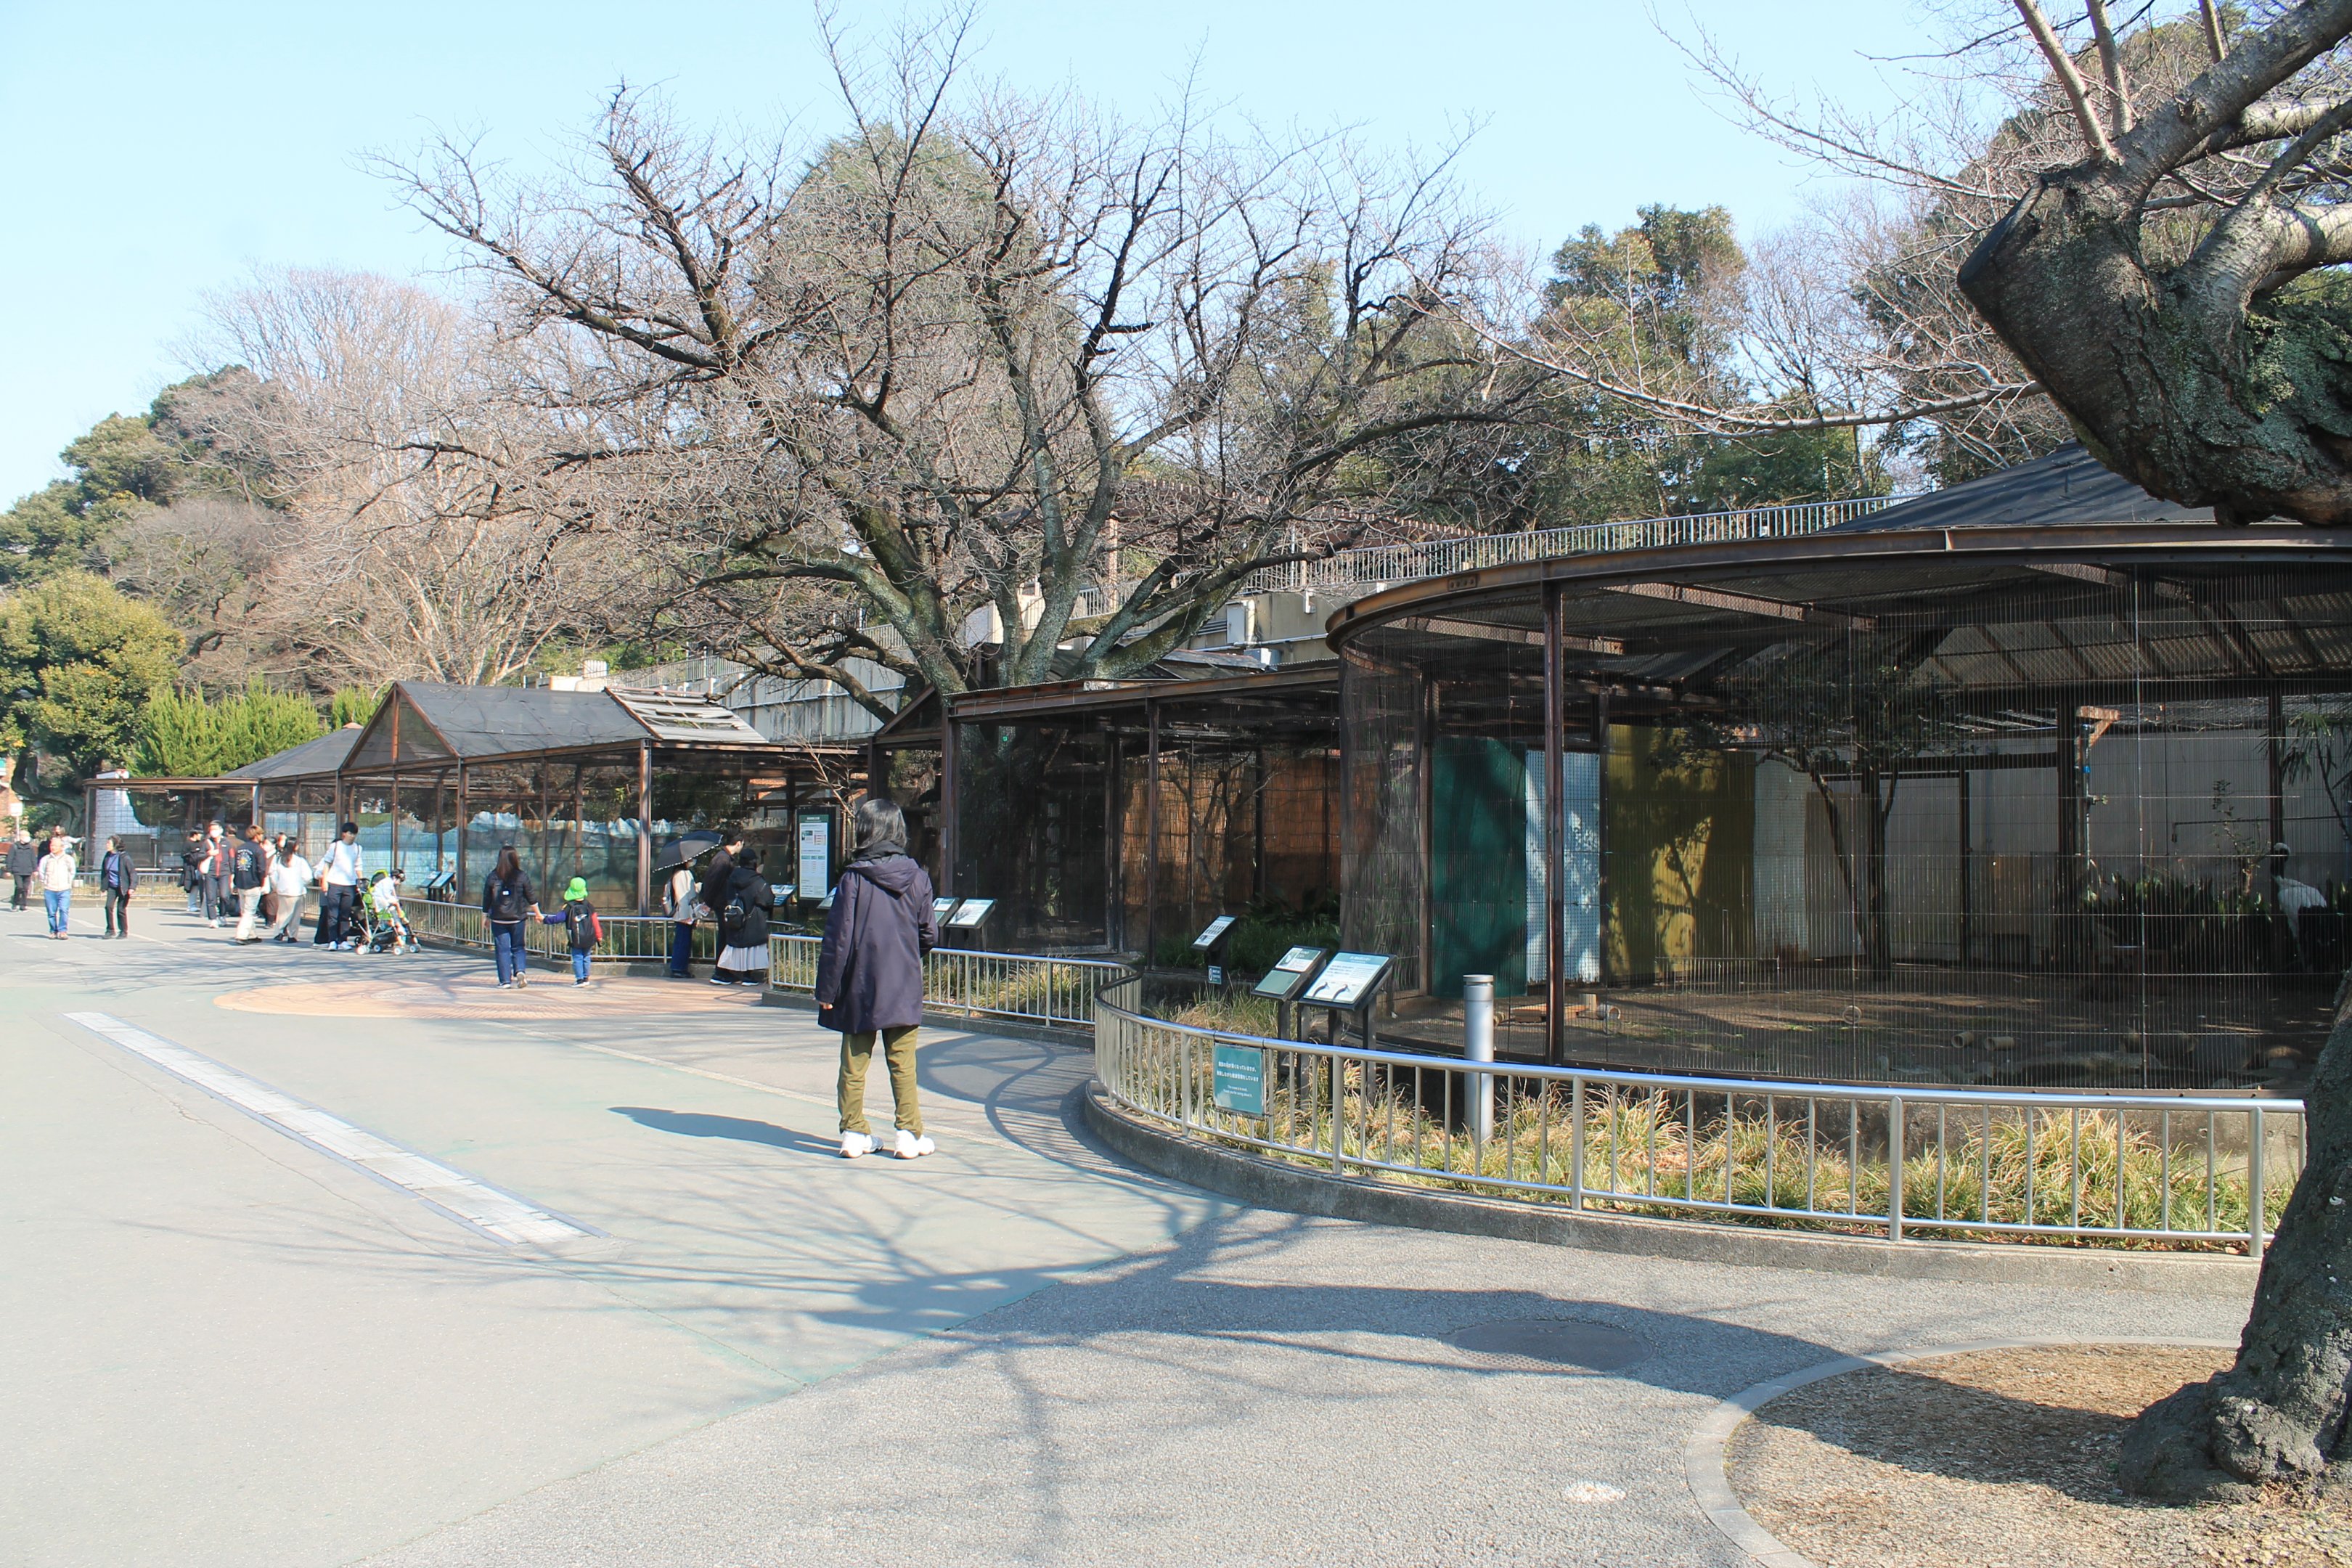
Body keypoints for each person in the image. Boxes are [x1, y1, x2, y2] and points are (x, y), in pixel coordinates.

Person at [814, 798, 939, 1160]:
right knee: (903, 1064)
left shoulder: (853, 878)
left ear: (865, 831)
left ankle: (854, 1133)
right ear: (898, 829)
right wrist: (906, 956)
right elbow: (929, 933)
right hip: (902, 985)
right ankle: (908, 1135)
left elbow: (838, 939)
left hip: (859, 985)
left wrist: (827, 989)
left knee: (854, 1063)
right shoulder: (917, 876)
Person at [711, 846, 772, 986]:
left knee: (733, 946)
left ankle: (722, 973)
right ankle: (747, 976)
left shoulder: (732, 876)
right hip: (752, 920)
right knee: (750, 948)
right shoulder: (757, 879)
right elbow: (767, 899)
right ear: (753, 862)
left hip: (734, 917)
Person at [481, 846, 539, 987]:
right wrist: (538, 913)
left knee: (502, 950)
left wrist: (485, 917)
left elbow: (487, 898)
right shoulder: (521, 876)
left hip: (498, 918)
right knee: (518, 947)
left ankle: (505, 981)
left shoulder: (493, 876)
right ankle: (520, 970)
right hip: (518, 918)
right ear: (515, 858)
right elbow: (531, 896)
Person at [541, 876, 604, 984]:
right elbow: (595, 922)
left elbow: (558, 918)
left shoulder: (569, 907)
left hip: (575, 937)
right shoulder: (589, 906)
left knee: (578, 957)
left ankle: (579, 979)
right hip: (589, 937)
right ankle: (586, 978)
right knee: (586, 957)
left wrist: (545, 920)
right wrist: (599, 936)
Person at [316, 822, 363, 950]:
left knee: (345, 914)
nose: (352, 836)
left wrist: (360, 881)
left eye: (354, 834)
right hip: (335, 882)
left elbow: (358, 866)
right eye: (350, 833)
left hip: (350, 884)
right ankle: (332, 940)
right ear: (344, 834)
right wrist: (325, 881)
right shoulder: (336, 846)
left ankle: (343, 940)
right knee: (333, 913)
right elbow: (327, 863)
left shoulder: (358, 848)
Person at [263, 838, 314, 942]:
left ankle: (279, 932)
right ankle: (292, 935)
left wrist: (276, 886)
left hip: (283, 890)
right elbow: (308, 877)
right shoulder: (300, 861)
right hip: (297, 891)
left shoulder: (278, 860)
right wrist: (302, 883)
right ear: (295, 847)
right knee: (295, 915)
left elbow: (273, 875)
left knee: (282, 913)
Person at [663, 855, 701, 979]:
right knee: (682, 942)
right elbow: (682, 897)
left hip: (685, 914)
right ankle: (678, 968)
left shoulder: (683, 873)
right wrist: (687, 916)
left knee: (683, 941)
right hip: (683, 915)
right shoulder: (681, 874)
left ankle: (680, 967)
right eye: (690, 859)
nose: (692, 861)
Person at [230, 824, 269, 942]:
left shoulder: (241, 848)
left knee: (245, 910)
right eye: (261, 834)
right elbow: (261, 869)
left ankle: (252, 934)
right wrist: (262, 882)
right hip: (253, 883)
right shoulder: (259, 850)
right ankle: (241, 935)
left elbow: (236, 866)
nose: (262, 836)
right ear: (257, 835)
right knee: (249, 912)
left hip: (241, 882)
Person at [36, 828, 76, 940]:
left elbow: (72, 871)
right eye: (52, 845)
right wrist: (45, 882)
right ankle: (53, 930)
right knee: (51, 912)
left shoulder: (68, 859)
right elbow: (42, 871)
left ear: (61, 847)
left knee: (64, 910)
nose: (52, 848)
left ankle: (63, 931)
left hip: (64, 889)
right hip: (50, 889)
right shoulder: (46, 859)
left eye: (55, 846)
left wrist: (68, 882)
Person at [99, 836, 134, 939]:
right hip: (112, 886)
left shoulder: (124, 857)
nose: (107, 845)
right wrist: (103, 888)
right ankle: (110, 930)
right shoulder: (108, 856)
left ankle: (123, 931)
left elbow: (132, 873)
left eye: (109, 843)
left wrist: (132, 887)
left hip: (123, 887)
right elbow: (104, 872)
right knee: (108, 906)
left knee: (121, 909)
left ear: (115, 845)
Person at [8, 828, 36, 912]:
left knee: (25, 888)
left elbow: (33, 859)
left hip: (28, 870)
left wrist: (35, 869)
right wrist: (9, 870)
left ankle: (23, 905)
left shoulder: (30, 847)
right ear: (21, 837)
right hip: (17, 870)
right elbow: (10, 858)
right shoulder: (15, 846)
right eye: (25, 836)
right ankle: (15, 903)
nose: (27, 838)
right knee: (19, 887)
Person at [179, 830, 206, 915]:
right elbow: (184, 855)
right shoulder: (187, 844)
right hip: (191, 868)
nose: (201, 836)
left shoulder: (201, 843)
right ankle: (191, 905)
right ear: (195, 835)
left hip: (200, 867)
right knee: (193, 886)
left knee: (201, 886)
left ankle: (201, 904)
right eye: (200, 834)